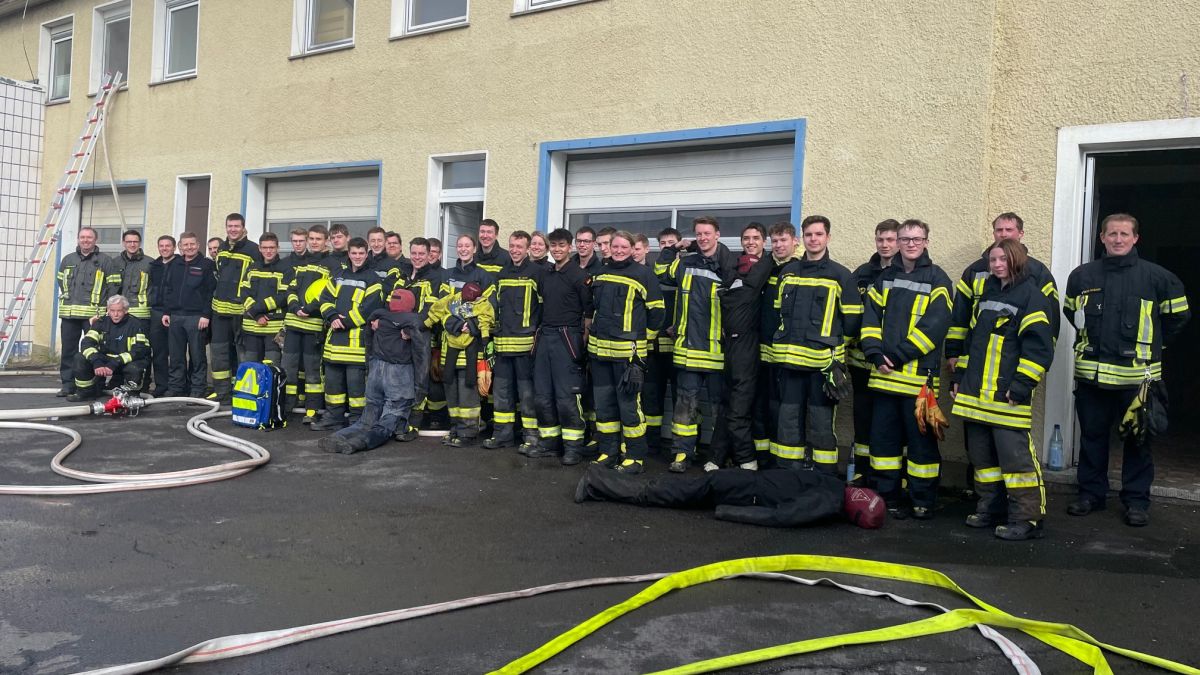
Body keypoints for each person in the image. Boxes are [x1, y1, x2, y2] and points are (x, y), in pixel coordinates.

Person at [1063, 213, 1190, 527]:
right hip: (1091, 378)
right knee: (1092, 439)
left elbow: (1178, 319)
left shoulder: (1159, 278)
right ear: (1102, 238)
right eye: (1112, 234)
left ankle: (1136, 501)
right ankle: (1091, 495)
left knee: (1138, 440)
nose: (1117, 239)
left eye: (1124, 234)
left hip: (1138, 381)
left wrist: (1154, 345)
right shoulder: (1082, 276)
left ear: (1136, 238)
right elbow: (1071, 313)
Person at [950, 239, 1056, 540]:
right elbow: (972, 343)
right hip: (976, 395)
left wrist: (1022, 385)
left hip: (1006, 395)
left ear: (1016, 260)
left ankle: (1028, 519)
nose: (996, 265)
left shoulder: (1031, 297)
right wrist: (959, 376)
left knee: (1016, 462)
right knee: (982, 460)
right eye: (992, 260)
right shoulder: (985, 295)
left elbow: (1039, 350)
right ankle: (990, 508)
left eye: (1002, 259)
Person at [860, 219, 953, 519]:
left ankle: (923, 500)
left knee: (921, 447)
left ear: (926, 241)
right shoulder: (884, 279)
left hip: (917, 384)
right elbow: (870, 319)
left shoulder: (938, 279)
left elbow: (935, 327)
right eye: (905, 239)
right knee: (883, 445)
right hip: (884, 379)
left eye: (917, 238)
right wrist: (874, 353)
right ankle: (887, 497)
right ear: (897, 243)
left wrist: (897, 356)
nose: (911, 244)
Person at [771, 216, 862, 473]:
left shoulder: (840, 275)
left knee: (822, 425)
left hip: (823, 367)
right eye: (809, 234)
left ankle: (825, 478)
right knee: (787, 423)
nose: (814, 239)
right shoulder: (788, 273)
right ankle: (788, 474)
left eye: (819, 234)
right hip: (789, 364)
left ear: (827, 238)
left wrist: (836, 353)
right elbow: (780, 314)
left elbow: (853, 320)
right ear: (802, 238)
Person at [656, 216, 738, 473]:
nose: (703, 238)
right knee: (684, 407)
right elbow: (661, 271)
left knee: (719, 408)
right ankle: (682, 453)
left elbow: (737, 306)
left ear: (718, 234)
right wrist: (675, 247)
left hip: (716, 351)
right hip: (687, 350)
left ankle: (718, 455)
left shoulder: (728, 266)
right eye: (699, 234)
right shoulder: (686, 262)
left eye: (707, 233)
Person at [573, 464, 885, 529]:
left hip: (740, 480)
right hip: (739, 491)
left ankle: (600, 485)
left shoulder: (833, 484)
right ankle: (596, 481)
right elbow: (782, 517)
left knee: (668, 491)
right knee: (659, 494)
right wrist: (727, 512)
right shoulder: (827, 501)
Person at [590, 230, 666, 474]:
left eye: (624, 247)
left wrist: (643, 345)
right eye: (616, 246)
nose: (619, 250)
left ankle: (634, 456)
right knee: (604, 407)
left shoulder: (644, 274)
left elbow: (657, 313)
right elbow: (594, 308)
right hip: (600, 354)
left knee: (630, 407)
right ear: (609, 247)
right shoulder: (600, 272)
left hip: (628, 356)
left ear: (633, 249)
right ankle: (608, 452)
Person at [319, 288, 425, 454]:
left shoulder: (378, 317)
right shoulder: (412, 321)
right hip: (398, 373)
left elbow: (370, 337)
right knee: (389, 418)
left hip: (376, 369)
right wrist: (420, 388)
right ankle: (358, 443)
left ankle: (337, 437)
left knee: (366, 419)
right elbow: (421, 355)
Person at [708, 222, 776, 471]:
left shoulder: (773, 268)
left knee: (755, 409)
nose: (750, 242)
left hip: (763, 348)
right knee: (733, 404)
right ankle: (725, 457)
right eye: (746, 238)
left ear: (764, 241)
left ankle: (751, 459)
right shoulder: (736, 268)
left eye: (756, 238)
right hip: (737, 345)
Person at [532, 228, 594, 464]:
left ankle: (573, 448)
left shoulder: (579, 275)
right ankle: (549, 444)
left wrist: (583, 346)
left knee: (567, 397)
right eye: (554, 245)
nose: (557, 249)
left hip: (568, 339)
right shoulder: (546, 274)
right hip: (545, 337)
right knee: (542, 396)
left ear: (570, 247)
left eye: (562, 245)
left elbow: (588, 314)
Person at [846, 219, 900, 480]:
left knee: (889, 421)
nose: (885, 245)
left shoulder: (906, 274)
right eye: (881, 240)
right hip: (860, 363)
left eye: (890, 240)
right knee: (863, 417)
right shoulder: (863, 273)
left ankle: (889, 476)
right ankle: (862, 472)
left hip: (890, 363)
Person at [312, 238, 383, 430]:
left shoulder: (373, 279)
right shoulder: (338, 276)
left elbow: (371, 308)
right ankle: (333, 417)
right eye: (354, 253)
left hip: (356, 347)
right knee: (333, 386)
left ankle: (357, 421)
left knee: (356, 389)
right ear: (349, 254)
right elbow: (324, 299)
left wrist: (343, 322)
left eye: (361, 253)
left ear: (366, 253)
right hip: (334, 345)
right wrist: (332, 315)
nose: (357, 257)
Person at [484, 231, 542, 452]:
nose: (515, 250)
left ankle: (531, 437)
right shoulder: (502, 273)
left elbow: (542, 308)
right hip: (502, 345)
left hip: (527, 347)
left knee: (527, 396)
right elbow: (494, 307)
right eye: (512, 246)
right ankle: (502, 435)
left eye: (520, 246)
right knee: (501, 394)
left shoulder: (536, 273)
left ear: (527, 249)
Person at [753, 223, 802, 466]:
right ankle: (764, 459)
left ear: (796, 241)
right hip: (763, 349)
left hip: (789, 354)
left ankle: (784, 462)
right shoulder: (766, 268)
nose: (779, 245)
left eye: (783, 240)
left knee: (785, 409)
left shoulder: (801, 270)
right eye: (775, 241)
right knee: (763, 406)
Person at [426, 281, 495, 446]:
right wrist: (455, 324)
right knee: (452, 396)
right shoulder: (451, 300)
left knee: (468, 397)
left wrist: (471, 325)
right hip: (448, 358)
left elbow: (488, 320)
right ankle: (456, 429)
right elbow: (441, 316)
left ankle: (468, 433)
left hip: (470, 359)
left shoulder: (484, 303)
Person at [282, 225, 336, 422]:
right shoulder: (301, 263)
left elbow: (328, 293)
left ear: (326, 241)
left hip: (313, 325)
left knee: (312, 370)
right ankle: (286, 407)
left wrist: (309, 308)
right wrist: (296, 307)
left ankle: (312, 410)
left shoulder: (332, 264)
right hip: (294, 324)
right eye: (311, 239)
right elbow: (291, 288)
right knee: (288, 367)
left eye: (318, 239)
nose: (314, 242)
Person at [56, 226, 115, 397]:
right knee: (68, 350)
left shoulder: (105, 261)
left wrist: (104, 311)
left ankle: (96, 384)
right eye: (82, 237)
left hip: (93, 316)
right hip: (69, 314)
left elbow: (113, 287)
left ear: (95, 240)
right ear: (78, 239)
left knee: (94, 350)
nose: (85, 240)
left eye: (89, 237)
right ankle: (68, 384)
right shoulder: (68, 259)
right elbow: (62, 282)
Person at [209, 212, 262, 403]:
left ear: (243, 227)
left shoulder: (254, 250)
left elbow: (256, 282)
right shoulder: (222, 248)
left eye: (236, 226)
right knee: (219, 354)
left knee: (243, 354)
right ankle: (222, 392)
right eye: (229, 226)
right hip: (220, 312)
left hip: (241, 312)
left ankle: (242, 391)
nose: (233, 230)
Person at [398, 237, 446, 438]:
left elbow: (430, 310)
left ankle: (414, 424)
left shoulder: (436, 278)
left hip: (421, 336)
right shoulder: (404, 276)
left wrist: (410, 329)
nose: (417, 257)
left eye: (421, 254)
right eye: (414, 253)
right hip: (400, 336)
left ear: (429, 255)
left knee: (420, 380)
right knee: (402, 379)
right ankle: (400, 419)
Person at [162, 232, 216, 398]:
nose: (189, 247)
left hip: (196, 317)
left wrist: (206, 315)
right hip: (176, 316)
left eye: (192, 244)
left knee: (197, 357)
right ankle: (177, 388)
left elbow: (210, 292)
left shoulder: (206, 264)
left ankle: (197, 390)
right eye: (185, 245)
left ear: (198, 245)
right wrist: (166, 312)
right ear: (180, 247)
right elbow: (168, 289)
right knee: (176, 356)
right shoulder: (175, 264)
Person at [67, 295, 150, 401]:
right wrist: (96, 361)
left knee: (135, 367)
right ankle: (86, 392)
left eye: (119, 311)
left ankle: (131, 395)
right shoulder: (101, 323)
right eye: (112, 310)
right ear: (108, 310)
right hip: (104, 361)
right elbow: (87, 343)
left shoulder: (136, 324)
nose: (115, 314)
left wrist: (115, 363)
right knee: (80, 358)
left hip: (124, 362)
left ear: (125, 311)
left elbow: (139, 350)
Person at [645, 227, 682, 452]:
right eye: (663, 243)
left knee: (682, 399)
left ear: (679, 245)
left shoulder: (685, 269)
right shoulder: (652, 272)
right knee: (651, 397)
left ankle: (683, 447)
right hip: (654, 346)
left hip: (678, 346)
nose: (667, 245)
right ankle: (652, 443)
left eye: (672, 242)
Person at [240, 232, 287, 365]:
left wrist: (256, 310)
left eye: (271, 247)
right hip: (251, 327)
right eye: (265, 247)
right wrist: (256, 315)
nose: (268, 251)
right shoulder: (252, 268)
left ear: (278, 248)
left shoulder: (285, 269)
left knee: (272, 368)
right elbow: (244, 292)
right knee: (251, 368)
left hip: (273, 328)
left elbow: (283, 297)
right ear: (259, 249)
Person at [147, 235, 177, 396]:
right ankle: (161, 385)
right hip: (156, 312)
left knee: (176, 352)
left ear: (174, 247)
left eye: (168, 246)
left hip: (175, 313)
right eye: (161, 246)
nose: (164, 248)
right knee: (159, 352)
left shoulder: (179, 264)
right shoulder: (154, 265)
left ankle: (176, 385)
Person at [109, 229, 152, 324]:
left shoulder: (150, 263)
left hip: (142, 316)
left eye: (135, 242)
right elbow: (110, 288)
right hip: (119, 314)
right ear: (123, 243)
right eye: (129, 242)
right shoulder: (114, 263)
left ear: (140, 243)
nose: (132, 244)